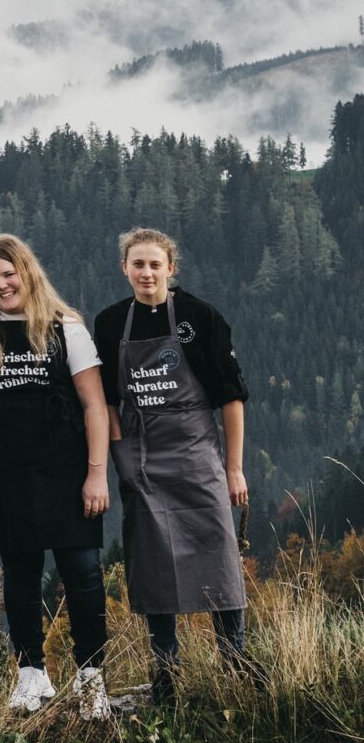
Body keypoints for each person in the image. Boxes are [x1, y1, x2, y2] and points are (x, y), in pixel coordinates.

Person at [0, 233, 113, 719]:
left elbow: (95, 406)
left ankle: (91, 679)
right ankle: (31, 676)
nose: (1, 285)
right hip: (6, 475)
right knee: (20, 575)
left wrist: (97, 474)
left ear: (28, 273)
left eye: (8, 274)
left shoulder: (65, 327)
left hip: (69, 472)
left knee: (82, 572)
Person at [94, 227, 251, 703]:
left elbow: (230, 396)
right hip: (142, 455)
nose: (146, 273)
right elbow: (107, 400)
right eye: (138, 264)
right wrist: (121, 455)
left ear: (171, 269)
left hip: (196, 451)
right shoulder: (110, 322)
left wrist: (233, 468)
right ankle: (165, 670)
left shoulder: (199, 316)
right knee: (153, 561)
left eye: (155, 265)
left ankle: (235, 659)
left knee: (219, 552)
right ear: (124, 268)